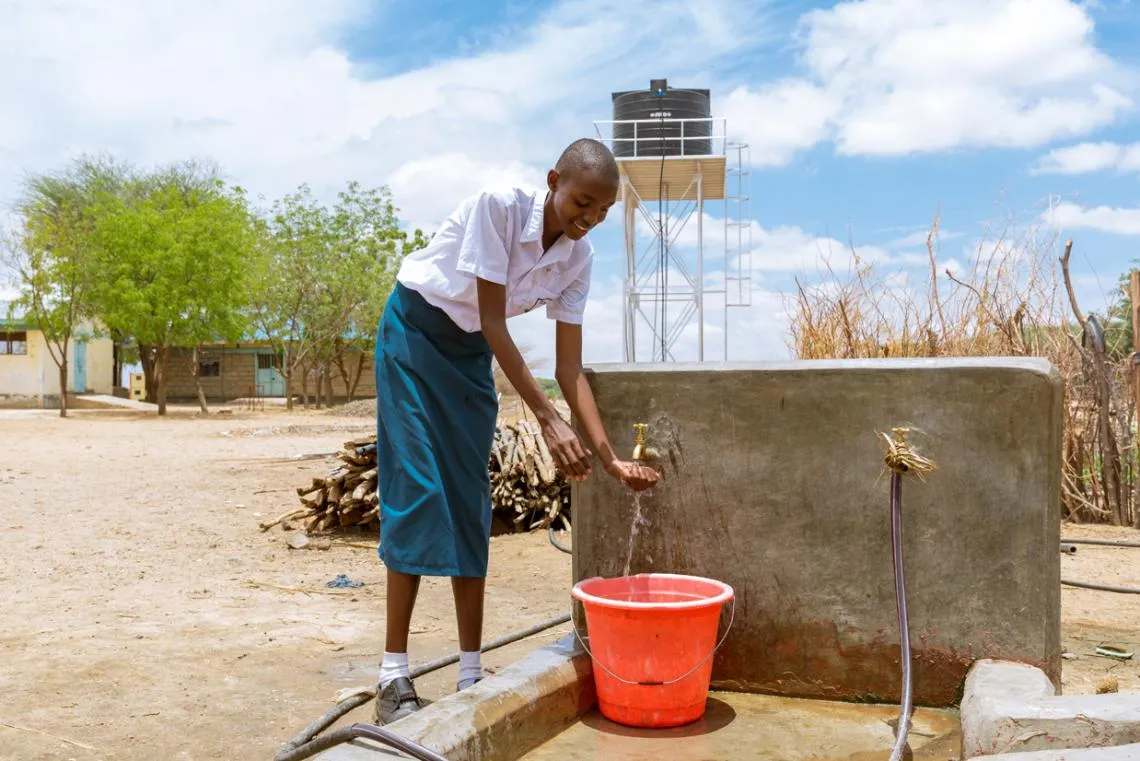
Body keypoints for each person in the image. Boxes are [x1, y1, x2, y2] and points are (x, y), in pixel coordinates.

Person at [371, 137, 661, 724]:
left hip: (471, 352)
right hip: (414, 335)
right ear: (553, 180)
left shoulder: (578, 261)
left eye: (601, 213)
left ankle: (471, 670)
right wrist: (548, 420)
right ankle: (393, 675)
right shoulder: (497, 208)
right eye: (582, 202)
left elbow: (568, 368)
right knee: (420, 492)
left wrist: (609, 459)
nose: (588, 220)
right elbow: (495, 319)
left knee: (470, 501)